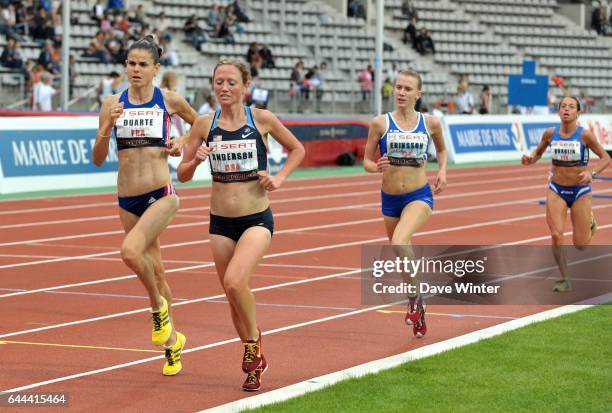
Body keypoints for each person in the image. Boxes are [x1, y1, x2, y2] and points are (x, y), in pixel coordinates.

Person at [177, 60, 305, 391]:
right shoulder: (205, 124)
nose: (224, 88)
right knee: (231, 296)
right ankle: (253, 353)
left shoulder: (260, 119)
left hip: (256, 218)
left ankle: (253, 344)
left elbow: (297, 149)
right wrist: (196, 159)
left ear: (245, 86)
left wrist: (279, 177)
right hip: (220, 223)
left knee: (235, 283)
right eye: (218, 81)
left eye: (231, 82)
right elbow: (182, 174)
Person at [92, 35, 198, 375]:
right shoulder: (112, 103)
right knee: (158, 269)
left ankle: (157, 311)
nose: (135, 70)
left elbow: (202, 126)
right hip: (127, 198)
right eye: (131, 63)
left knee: (129, 252)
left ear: (155, 68)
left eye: (142, 65)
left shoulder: (168, 99)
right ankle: (172, 345)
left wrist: (181, 141)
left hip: (160, 193)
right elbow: (96, 159)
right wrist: (107, 126)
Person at [363, 69, 448, 338]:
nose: (400, 92)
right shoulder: (380, 123)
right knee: (401, 253)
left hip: (419, 195)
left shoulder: (430, 123)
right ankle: (416, 301)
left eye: (407, 88)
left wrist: (442, 170)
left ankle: (415, 300)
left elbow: (442, 150)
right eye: (398, 87)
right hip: (389, 198)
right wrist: (375, 166)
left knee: (400, 241)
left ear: (418, 94)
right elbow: (365, 161)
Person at [521, 96, 610, 292]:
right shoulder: (550, 134)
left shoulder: (585, 135)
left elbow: (605, 158)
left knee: (580, 244)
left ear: (578, 113)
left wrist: (591, 173)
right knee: (556, 234)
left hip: (580, 191)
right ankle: (565, 279)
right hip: (557, 190)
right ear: (558, 111)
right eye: (563, 106)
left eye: (571, 107)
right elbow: (537, 153)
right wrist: (530, 159)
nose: (567, 110)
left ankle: (591, 223)